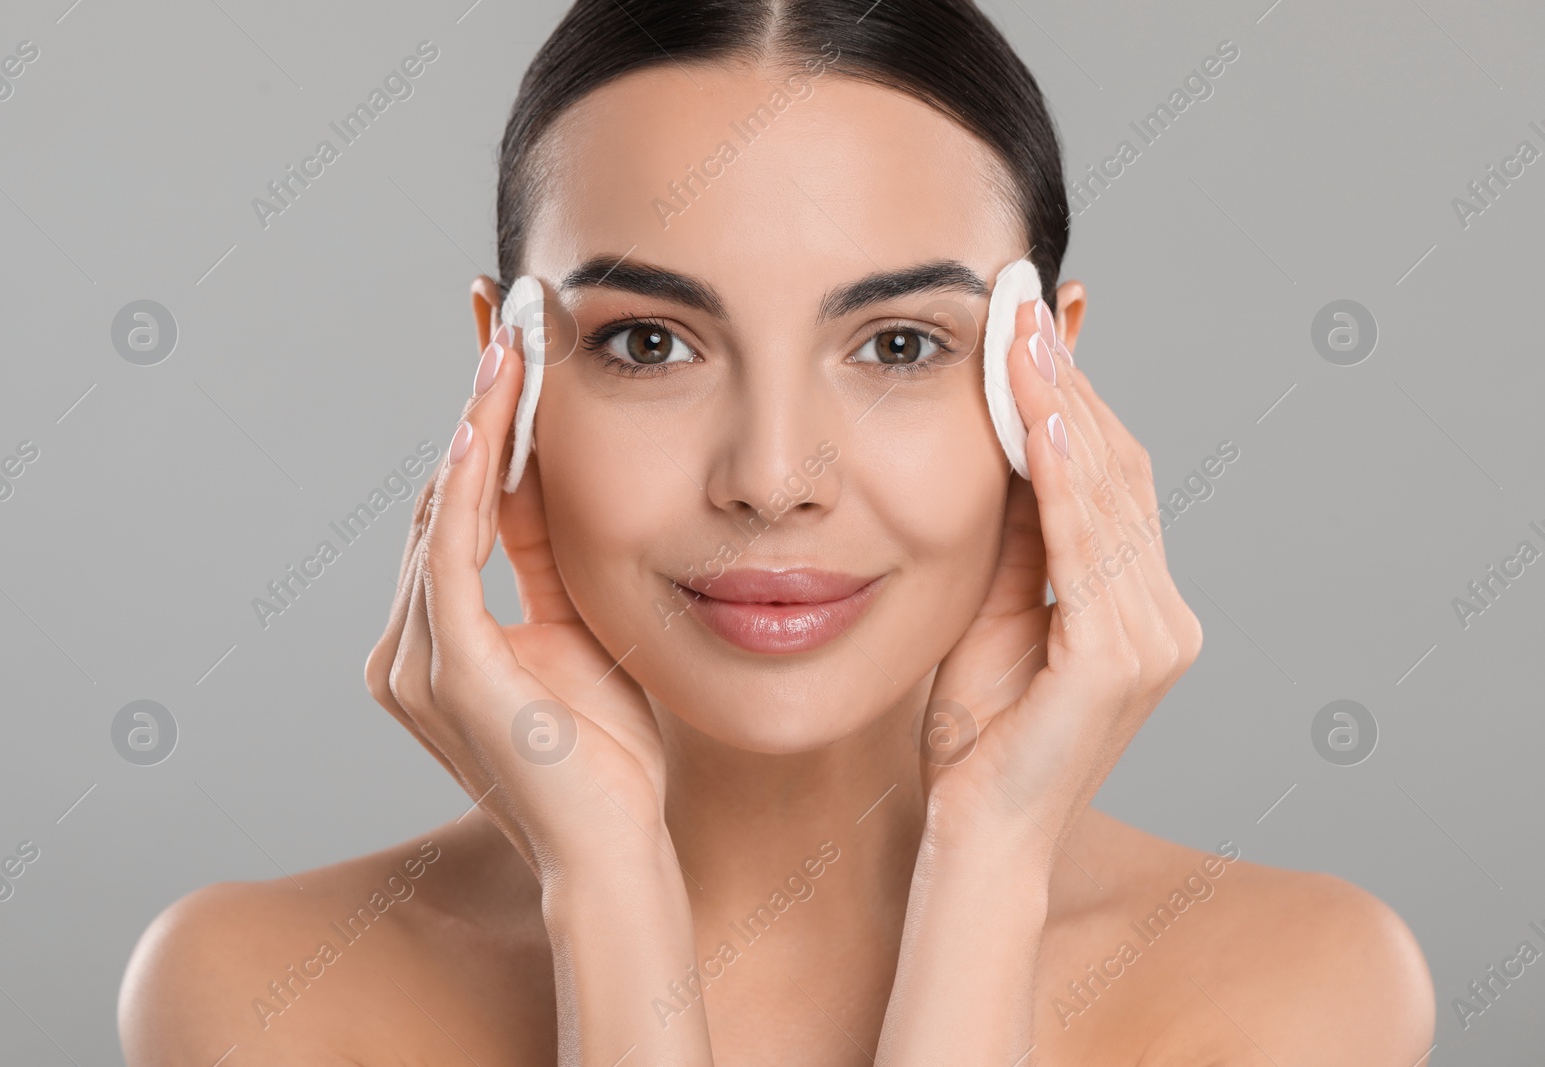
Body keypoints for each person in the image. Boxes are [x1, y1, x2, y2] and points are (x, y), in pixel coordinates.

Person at [119, 1, 1435, 1062]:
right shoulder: (261, 996)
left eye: (901, 344)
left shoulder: (1299, 986)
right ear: (504, 375)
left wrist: (992, 859)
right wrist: (607, 894)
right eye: (648, 342)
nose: (770, 477)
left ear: (1051, 384)